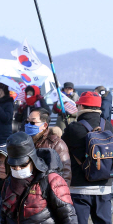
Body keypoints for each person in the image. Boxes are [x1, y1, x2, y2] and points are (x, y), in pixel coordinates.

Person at [1, 132, 77, 224]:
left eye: (23, 165)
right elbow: (4, 216)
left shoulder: (51, 180)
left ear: (33, 160)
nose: (18, 169)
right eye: (13, 166)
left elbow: (68, 216)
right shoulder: (9, 182)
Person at [62, 91, 112, 224]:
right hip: (104, 185)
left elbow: (61, 150)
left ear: (82, 107)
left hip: (79, 187)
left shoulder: (73, 128)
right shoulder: (108, 125)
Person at [24, 107, 71, 185]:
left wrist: (58, 194)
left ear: (45, 125)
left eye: (32, 122)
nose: (28, 125)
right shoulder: (23, 142)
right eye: (27, 121)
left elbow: (65, 173)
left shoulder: (56, 144)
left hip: (47, 192)